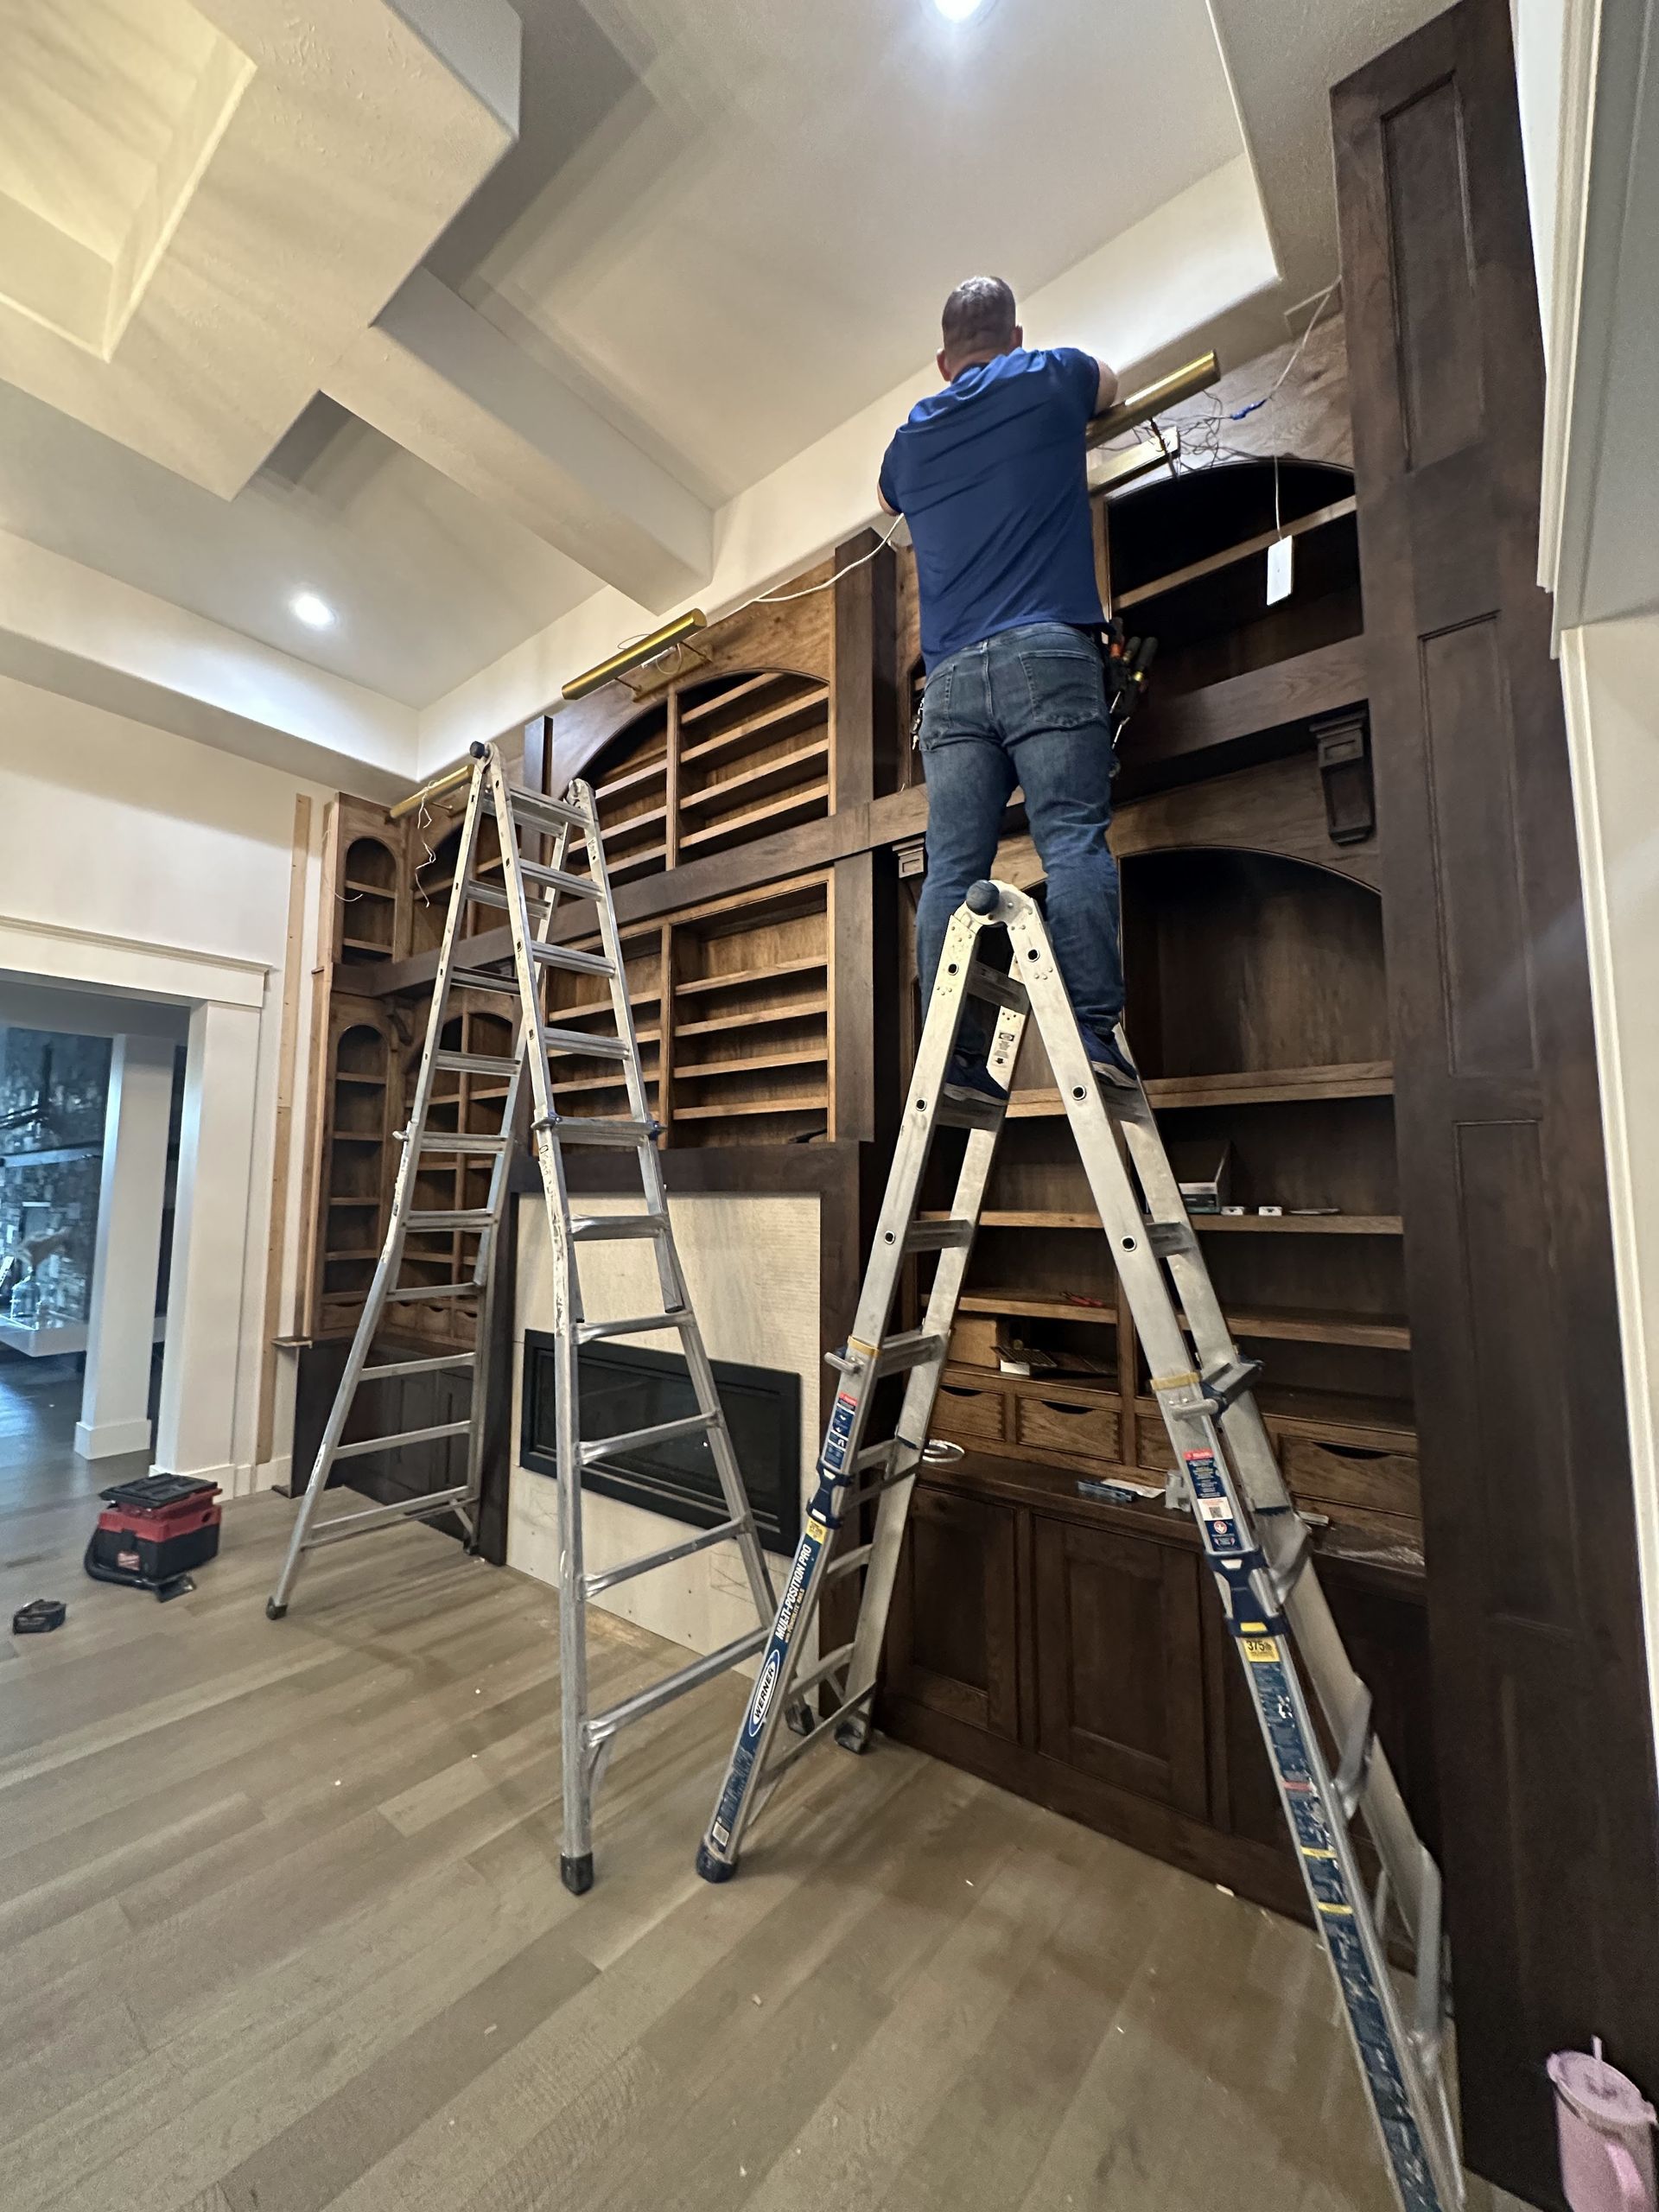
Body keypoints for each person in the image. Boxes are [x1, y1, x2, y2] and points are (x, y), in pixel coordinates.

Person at [878, 275, 1135, 1097]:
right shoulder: (1049, 372)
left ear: (943, 359)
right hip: (1047, 653)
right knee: (1071, 843)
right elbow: (1113, 385)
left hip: (948, 683)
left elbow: (884, 495)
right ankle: (1094, 1034)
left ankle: (951, 1058)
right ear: (1014, 336)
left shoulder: (911, 435)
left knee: (952, 871)